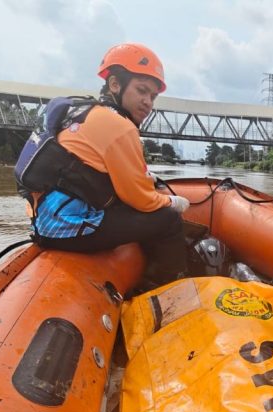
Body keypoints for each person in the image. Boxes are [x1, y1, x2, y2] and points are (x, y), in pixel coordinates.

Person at [16, 42, 189, 287]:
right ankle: (170, 285)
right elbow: (142, 200)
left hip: (44, 223)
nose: (148, 102)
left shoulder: (84, 112)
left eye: (152, 96)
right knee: (168, 220)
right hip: (68, 229)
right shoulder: (120, 126)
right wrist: (173, 202)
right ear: (115, 84)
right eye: (142, 90)